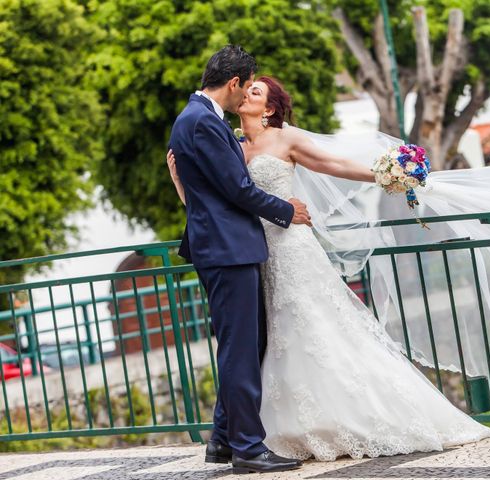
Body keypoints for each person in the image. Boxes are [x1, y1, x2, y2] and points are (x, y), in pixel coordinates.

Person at [167, 75, 490, 461]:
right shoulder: (231, 144)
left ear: (270, 108)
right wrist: (179, 180)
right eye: (246, 89)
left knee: (317, 328)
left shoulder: (285, 138)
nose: (244, 94)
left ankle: (354, 417)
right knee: (264, 343)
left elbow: (332, 164)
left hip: (290, 247)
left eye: (255, 92)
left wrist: (382, 175)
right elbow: (214, 198)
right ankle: (274, 430)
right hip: (254, 252)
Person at [168, 47, 311, 474]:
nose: (243, 95)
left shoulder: (199, 119)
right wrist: (286, 211)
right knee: (240, 350)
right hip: (226, 250)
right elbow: (236, 189)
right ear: (233, 83)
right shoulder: (201, 122)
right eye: (244, 86)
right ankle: (249, 448)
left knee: (245, 345)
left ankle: (224, 441)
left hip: (226, 247)